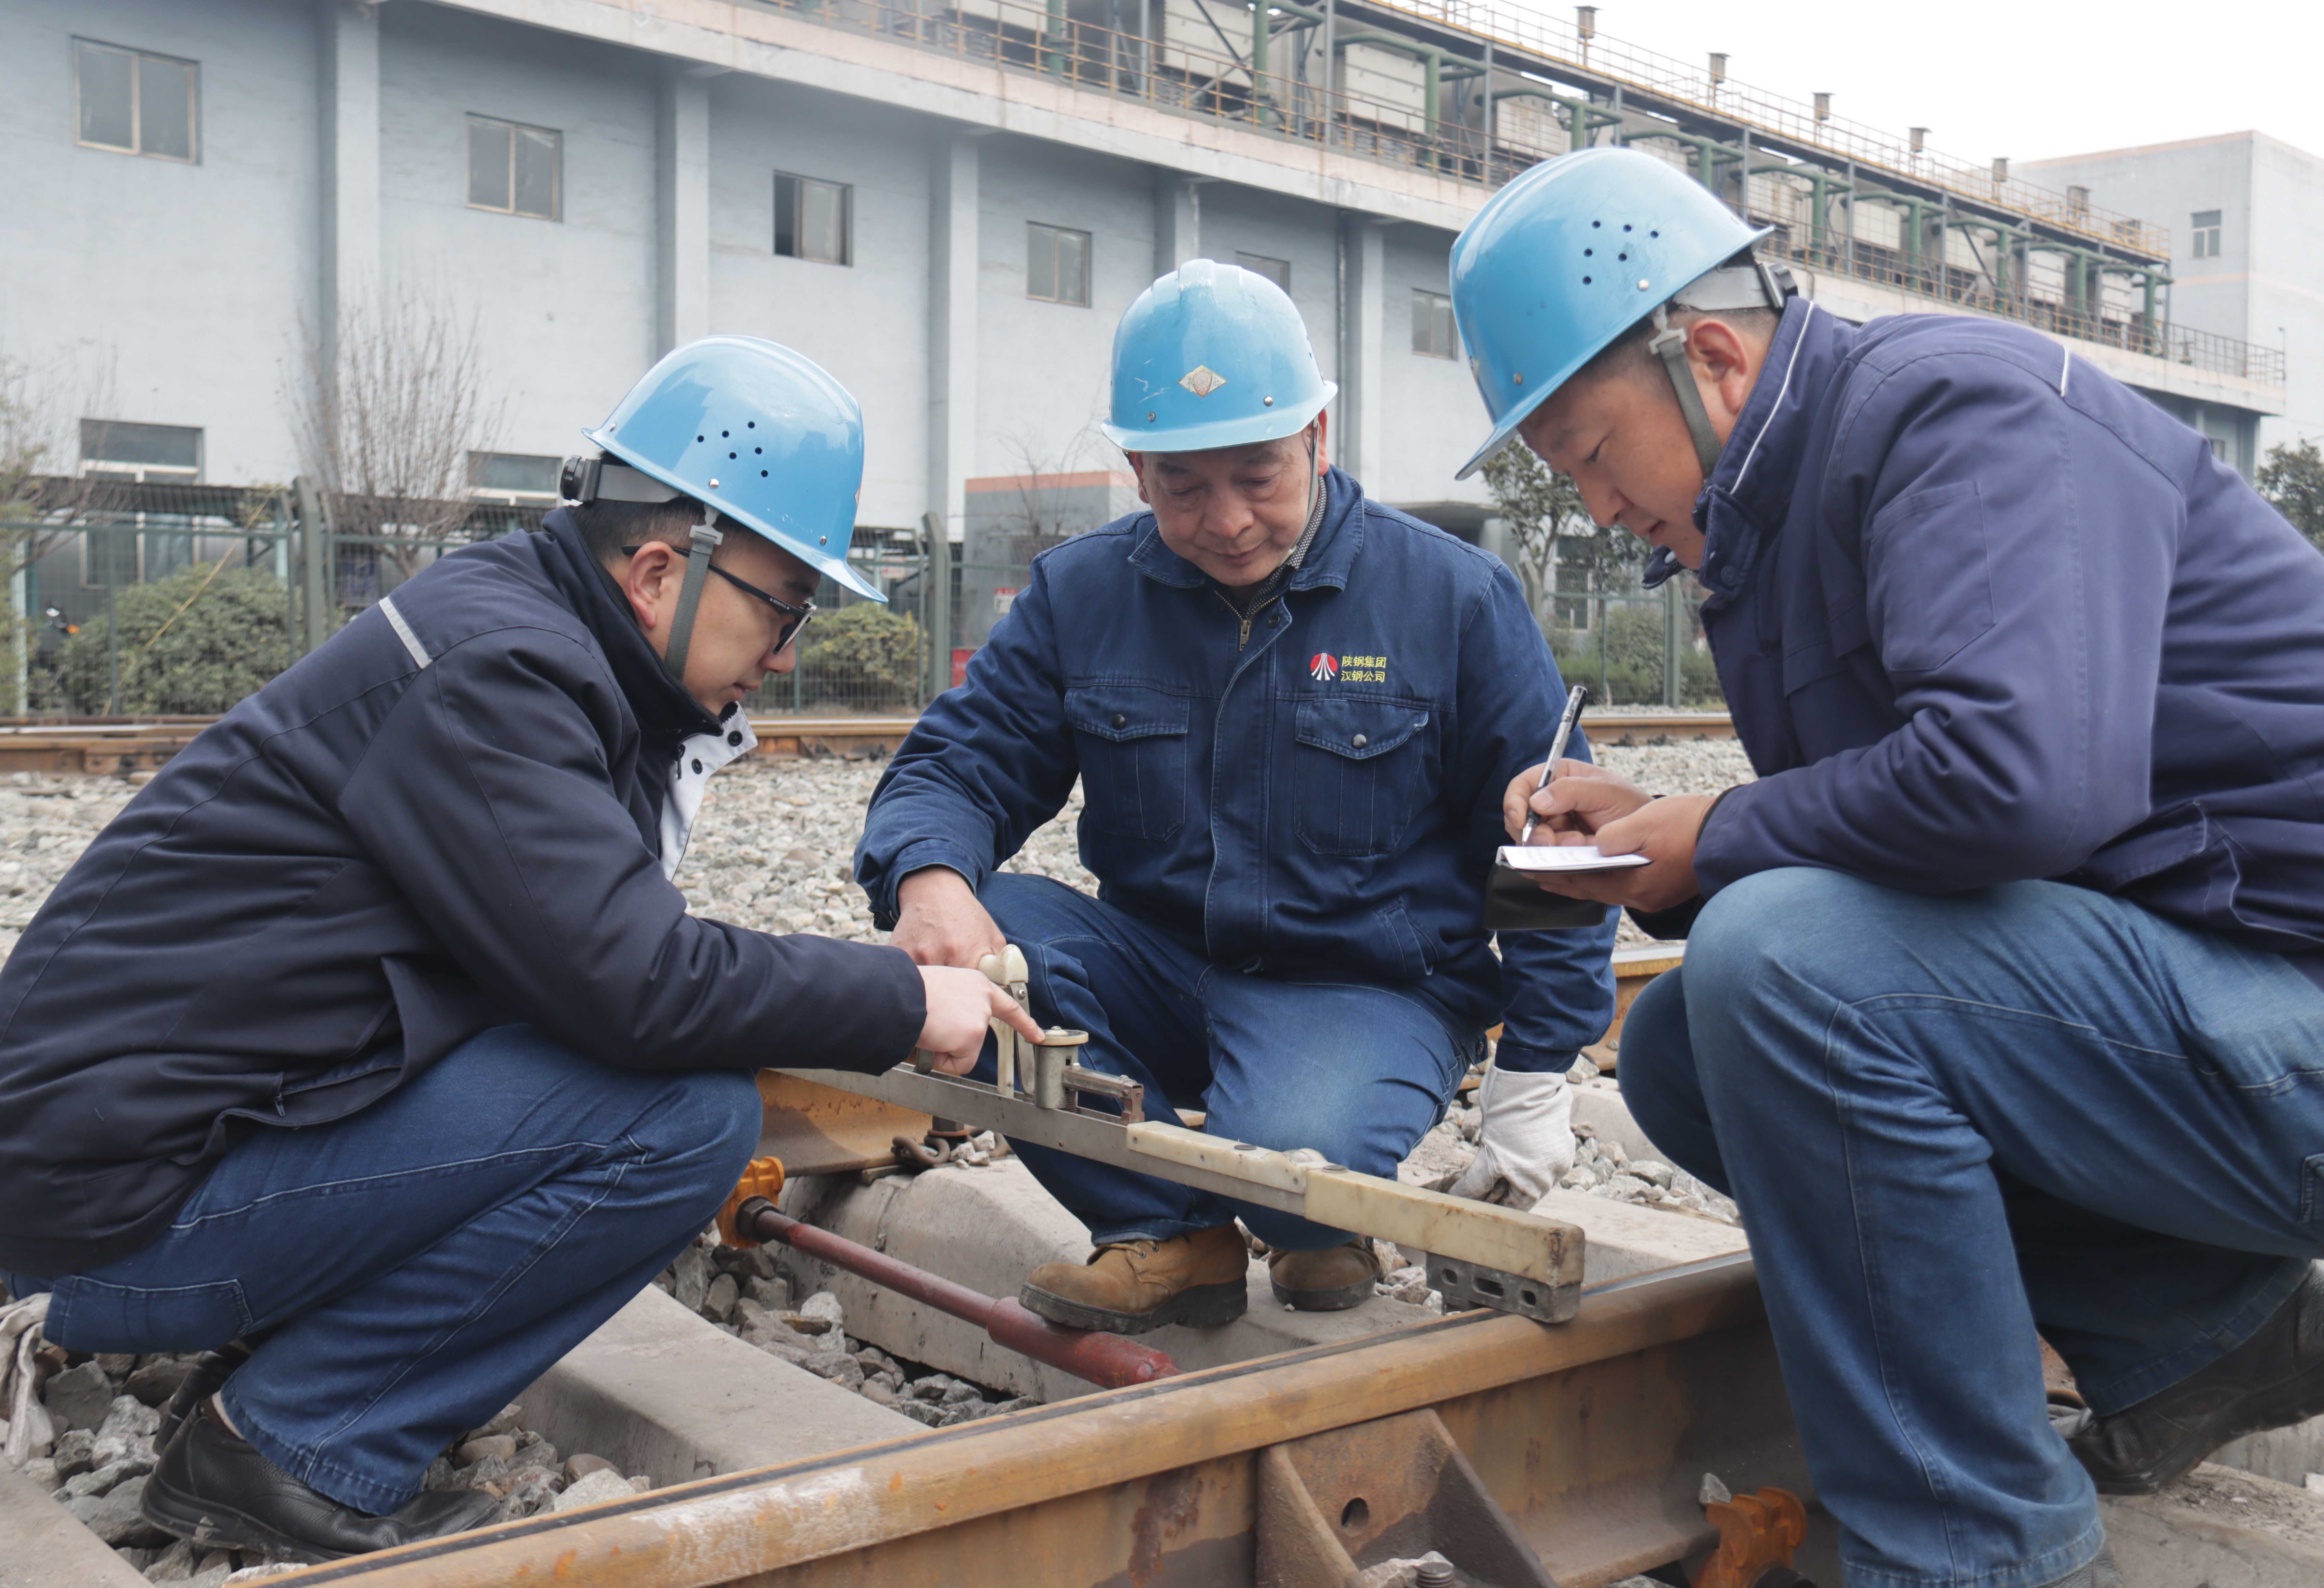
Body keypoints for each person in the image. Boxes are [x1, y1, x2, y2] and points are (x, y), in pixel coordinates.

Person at [1449, 146, 2324, 1588]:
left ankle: (1974, 1551)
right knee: (1693, 1043)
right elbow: (1897, 859)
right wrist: (1661, 841)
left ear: (1710, 355)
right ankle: (2213, 1334)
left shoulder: (1954, 414)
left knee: (1777, 970)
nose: (1593, 501)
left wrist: (1717, 837)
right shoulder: (1780, 513)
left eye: (1585, 449)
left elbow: (2020, 784)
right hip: (2219, 1002)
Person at [0, 336, 1036, 1563]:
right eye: (785, 604)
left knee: (608, 1065)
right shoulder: (502, 673)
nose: (788, 650)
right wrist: (902, 1000)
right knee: (682, 1121)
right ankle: (288, 1441)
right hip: (95, 1224)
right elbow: (639, 984)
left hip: (131, 1164)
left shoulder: (532, 638)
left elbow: (582, 959)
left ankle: (276, 1379)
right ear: (663, 568)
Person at [855, 260, 1615, 1334]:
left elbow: (1556, 839)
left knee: (1293, 1164)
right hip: (1156, 967)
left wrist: (1537, 1073)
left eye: (1259, 475)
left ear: (1318, 438)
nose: (1226, 521)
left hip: (1365, 991)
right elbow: (958, 763)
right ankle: (1169, 1238)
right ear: (1136, 471)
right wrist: (928, 879)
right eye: (1184, 487)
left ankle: (1306, 1216)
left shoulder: (1450, 600)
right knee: (969, 960)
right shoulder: (1083, 594)